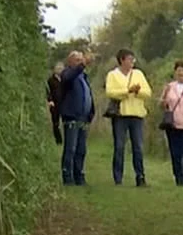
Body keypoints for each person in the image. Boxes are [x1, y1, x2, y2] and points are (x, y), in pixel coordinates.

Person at [104, 48, 151, 186]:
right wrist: (127, 91)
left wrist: (137, 92)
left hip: (137, 114)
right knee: (119, 146)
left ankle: (140, 176)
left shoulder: (138, 74)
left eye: (133, 59)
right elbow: (110, 92)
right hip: (120, 115)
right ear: (122, 60)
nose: (132, 62)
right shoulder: (112, 75)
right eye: (130, 59)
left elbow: (148, 92)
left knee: (138, 147)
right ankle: (118, 178)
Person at [52, 50, 94, 186]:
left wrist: (91, 111)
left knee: (81, 149)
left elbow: (88, 95)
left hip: (83, 117)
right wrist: (82, 64)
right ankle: (67, 177)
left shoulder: (84, 77)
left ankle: (79, 176)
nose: (80, 62)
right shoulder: (67, 74)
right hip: (71, 117)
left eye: (81, 60)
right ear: (70, 62)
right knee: (71, 148)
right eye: (77, 60)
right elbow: (69, 77)